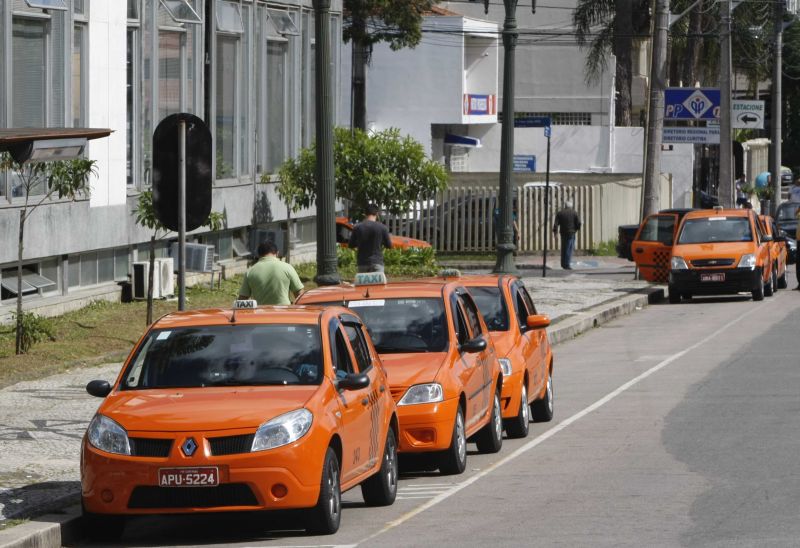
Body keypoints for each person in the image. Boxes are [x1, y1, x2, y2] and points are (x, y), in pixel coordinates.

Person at [238, 240, 304, 305]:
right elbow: (300, 295)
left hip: (260, 314)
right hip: (284, 313)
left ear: (258, 255)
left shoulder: (250, 272)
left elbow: (242, 301)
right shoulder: (287, 267)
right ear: (277, 253)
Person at [348, 204, 392, 272]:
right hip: (377, 262)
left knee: (364, 283)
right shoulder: (382, 227)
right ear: (377, 214)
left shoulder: (357, 227)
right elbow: (389, 245)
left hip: (362, 263)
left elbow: (351, 245)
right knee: (378, 283)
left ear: (364, 214)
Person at [553, 200, 581, 270]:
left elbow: (555, 224)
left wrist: (555, 233)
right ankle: (567, 264)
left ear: (565, 206)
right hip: (571, 233)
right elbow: (579, 223)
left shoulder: (560, 213)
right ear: (571, 206)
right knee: (569, 248)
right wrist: (577, 229)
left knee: (564, 248)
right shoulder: (574, 213)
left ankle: (563, 263)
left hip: (563, 233)